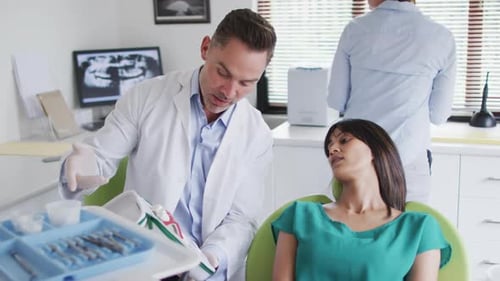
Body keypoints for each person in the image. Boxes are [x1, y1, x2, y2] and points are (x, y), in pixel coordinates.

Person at [59, 8, 277, 281]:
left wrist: (211, 258)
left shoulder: (257, 133)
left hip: (209, 269)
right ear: (206, 48)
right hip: (145, 257)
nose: (229, 92)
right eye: (222, 72)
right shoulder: (146, 96)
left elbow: (242, 218)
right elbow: (101, 156)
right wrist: (79, 166)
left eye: (246, 83)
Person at [272, 119, 451, 281]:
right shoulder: (300, 216)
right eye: (329, 146)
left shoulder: (419, 229)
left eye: (344, 140)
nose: (332, 150)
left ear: (374, 150)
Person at [327, 0, 457, 203]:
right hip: (409, 160)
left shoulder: (355, 30)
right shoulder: (441, 37)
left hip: (357, 156)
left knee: (355, 228)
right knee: (407, 230)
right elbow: (439, 115)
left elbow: (337, 99)